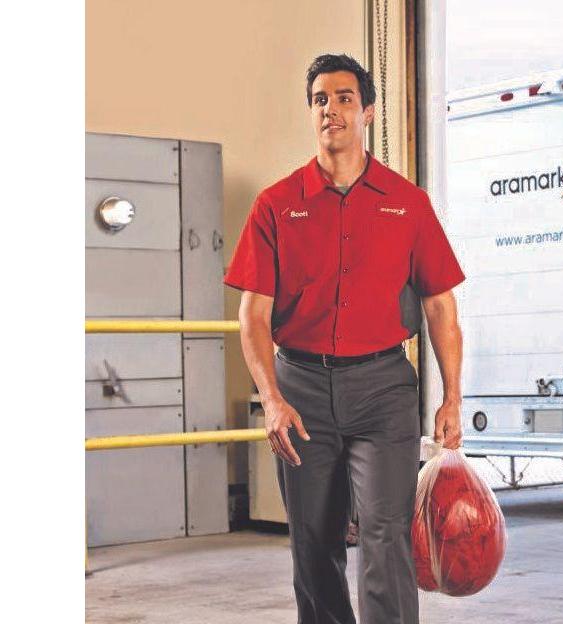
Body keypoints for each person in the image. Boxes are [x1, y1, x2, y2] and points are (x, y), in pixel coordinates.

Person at [224, 53, 464, 624]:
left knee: (385, 533)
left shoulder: (408, 203)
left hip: (383, 390)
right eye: (320, 100)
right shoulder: (276, 204)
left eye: (344, 98)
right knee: (313, 541)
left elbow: (440, 305)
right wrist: (272, 400)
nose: (330, 109)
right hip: (300, 390)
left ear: (368, 112)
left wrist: (452, 396)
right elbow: (252, 316)